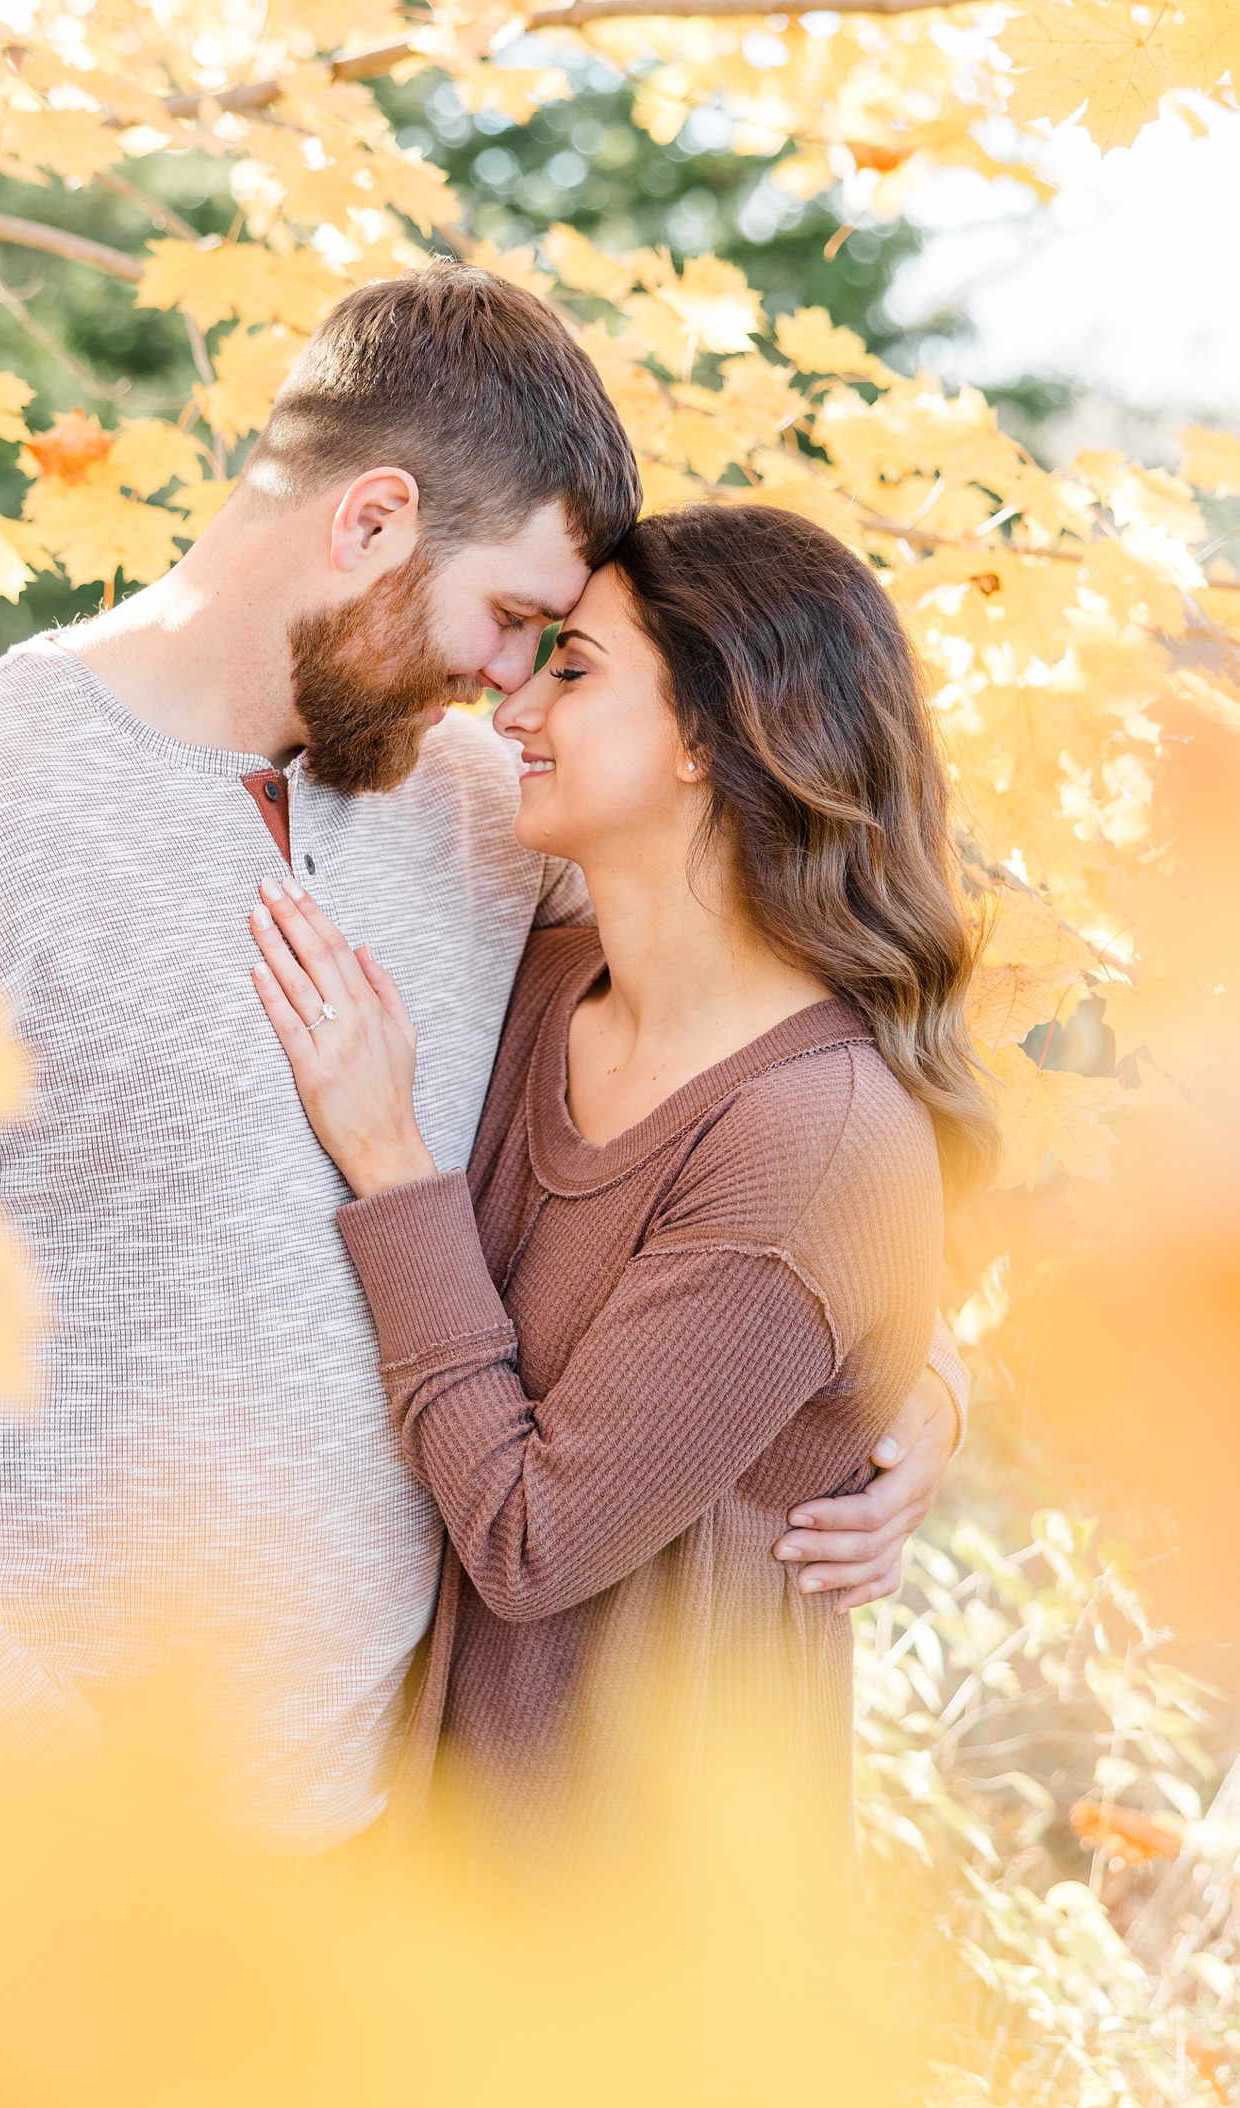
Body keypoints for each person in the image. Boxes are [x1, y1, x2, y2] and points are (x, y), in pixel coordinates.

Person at [0, 269, 963, 1879]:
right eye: (514, 620)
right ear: (375, 521)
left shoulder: (479, 816)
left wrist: (913, 1381)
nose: (511, 683)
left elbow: (770, 1068)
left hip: (355, 1863)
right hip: (13, 1878)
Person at [248, 501, 999, 1917]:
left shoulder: (820, 1135)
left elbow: (534, 1539)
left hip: (639, 1948)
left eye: (573, 670)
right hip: (432, 1871)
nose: (510, 702)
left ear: (714, 735)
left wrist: (394, 1161)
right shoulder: (540, 980)